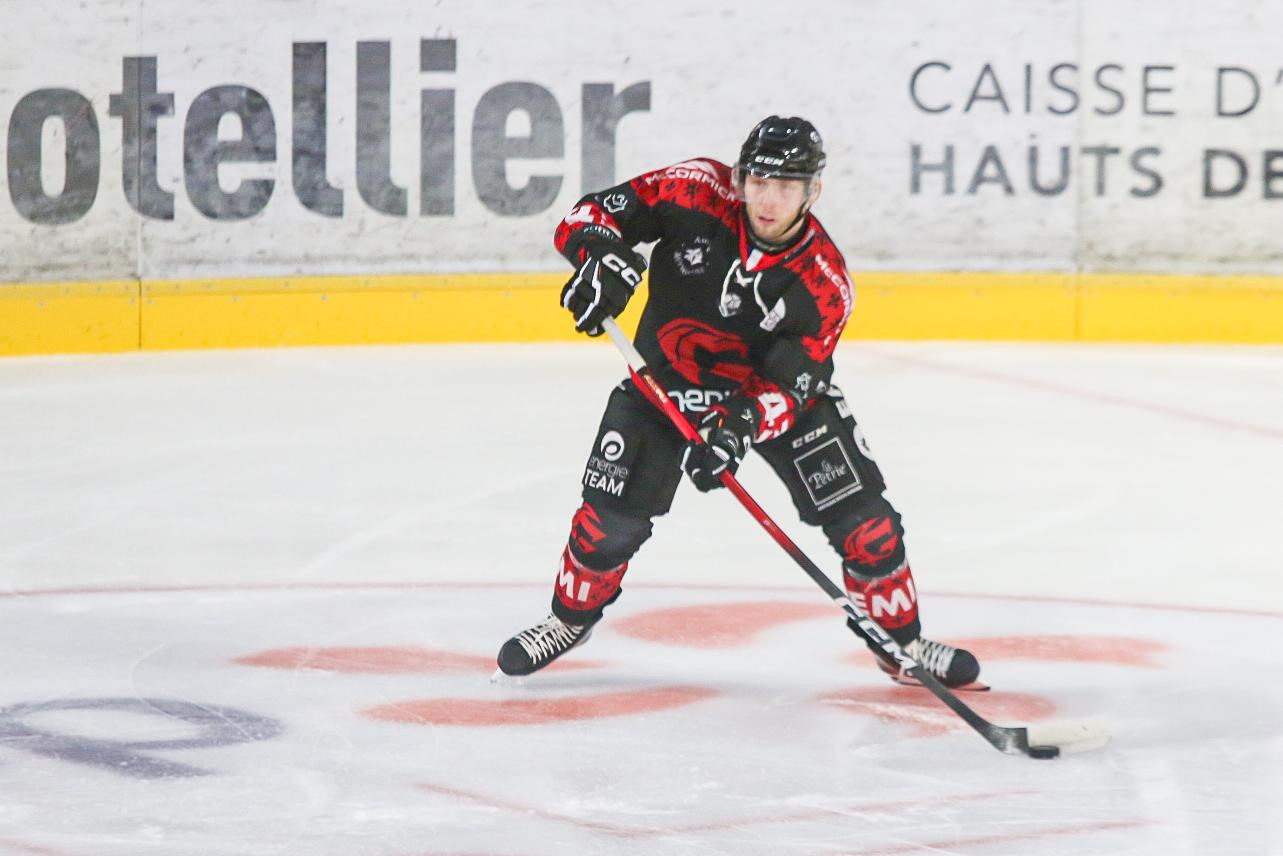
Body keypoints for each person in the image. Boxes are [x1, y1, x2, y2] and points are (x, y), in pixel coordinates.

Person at [495, 116, 981, 689]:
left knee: (867, 527)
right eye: (759, 182)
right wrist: (597, 254)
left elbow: (791, 384)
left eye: (786, 186)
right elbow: (588, 215)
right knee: (605, 526)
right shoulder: (694, 190)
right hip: (664, 386)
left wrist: (736, 429)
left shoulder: (824, 283)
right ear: (740, 177)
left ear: (813, 191)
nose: (768, 200)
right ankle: (568, 620)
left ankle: (902, 645)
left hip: (766, 402)